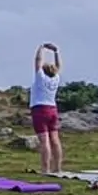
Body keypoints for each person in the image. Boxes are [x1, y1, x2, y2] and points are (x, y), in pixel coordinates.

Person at [30, 43, 64, 175]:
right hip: (53, 109)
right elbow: (59, 66)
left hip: (40, 109)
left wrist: (41, 48)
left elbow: (38, 61)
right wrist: (56, 52)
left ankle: (46, 169)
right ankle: (58, 167)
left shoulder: (40, 77)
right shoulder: (56, 78)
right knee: (55, 139)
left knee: (44, 141)